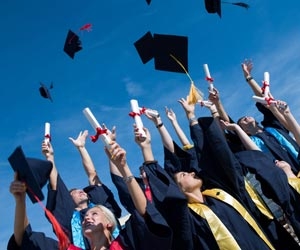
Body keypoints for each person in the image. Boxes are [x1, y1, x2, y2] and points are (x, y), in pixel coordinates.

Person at [8, 141, 173, 250]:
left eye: (94, 213)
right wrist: (20, 201)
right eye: (86, 215)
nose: (87, 217)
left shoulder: (127, 243)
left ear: (109, 223)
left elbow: (145, 214)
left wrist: (124, 168)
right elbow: (24, 238)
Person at [42, 130, 121, 249]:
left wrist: (81, 148)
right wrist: (50, 157)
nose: (82, 191)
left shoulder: (102, 209)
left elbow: (92, 175)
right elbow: (56, 185)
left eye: (83, 191)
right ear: (69, 200)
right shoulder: (68, 219)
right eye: (75, 192)